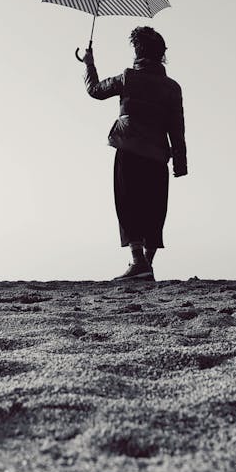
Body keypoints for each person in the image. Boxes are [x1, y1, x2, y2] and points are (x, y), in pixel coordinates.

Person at [82, 26, 187, 281]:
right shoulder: (172, 88)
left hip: (129, 149)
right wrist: (180, 163)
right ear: (161, 55)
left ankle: (139, 262)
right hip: (158, 154)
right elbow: (177, 128)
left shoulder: (128, 77)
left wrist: (89, 63)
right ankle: (145, 265)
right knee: (154, 207)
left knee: (128, 204)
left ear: (137, 52)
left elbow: (95, 90)